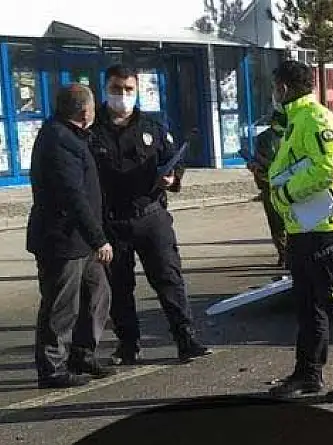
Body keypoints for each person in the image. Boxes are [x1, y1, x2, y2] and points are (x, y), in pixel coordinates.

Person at [266, 59, 333, 402]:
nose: (273, 94)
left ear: (283, 87)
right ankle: (308, 373)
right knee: (308, 307)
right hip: (302, 231)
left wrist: (285, 191)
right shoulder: (293, 122)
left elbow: (331, 168)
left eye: (274, 87)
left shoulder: (315, 119)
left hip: (327, 230)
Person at [88, 64, 212, 366]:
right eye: (117, 89)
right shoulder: (92, 131)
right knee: (119, 287)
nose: (123, 95)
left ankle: (186, 340)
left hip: (150, 216)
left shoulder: (152, 128)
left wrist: (174, 178)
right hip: (112, 221)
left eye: (129, 89)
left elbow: (172, 162)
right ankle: (128, 345)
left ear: (137, 91)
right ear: (106, 89)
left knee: (169, 278)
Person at [26, 85, 114, 388]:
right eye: (93, 107)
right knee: (61, 305)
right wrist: (99, 238)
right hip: (62, 239)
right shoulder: (58, 140)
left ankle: (83, 353)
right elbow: (72, 195)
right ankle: (52, 367)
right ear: (84, 111)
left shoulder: (72, 135)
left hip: (81, 240)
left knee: (98, 292)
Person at [246, 110, 288, 267]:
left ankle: (286, 254)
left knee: (281, 223)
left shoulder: (290, 135)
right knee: (279, 223)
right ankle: (285, 254)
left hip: (278, 184)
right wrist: (256, 168)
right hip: (273, 185)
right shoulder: (266, 138)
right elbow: (258, 161)